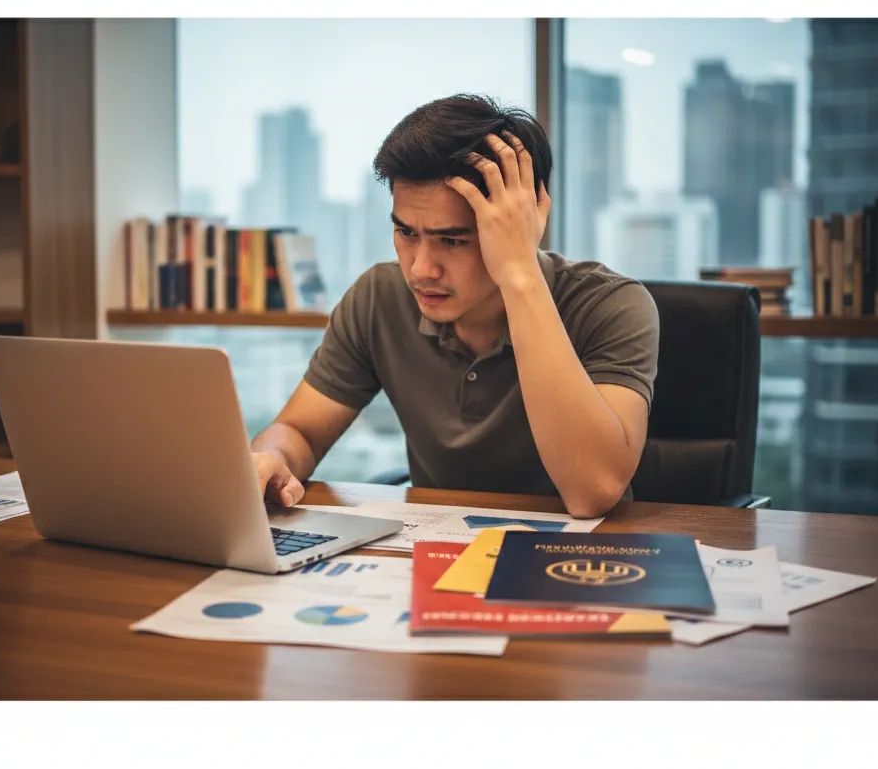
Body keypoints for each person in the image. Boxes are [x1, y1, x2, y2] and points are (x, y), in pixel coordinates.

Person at [250, 94, 659, 518]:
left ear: (521, 221)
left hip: (579, 563)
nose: (422, 269)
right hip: (431, 553)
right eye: (406, 233)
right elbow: (299, 431)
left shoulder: (611, 305)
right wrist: (271, 457)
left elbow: (592, 492)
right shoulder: (379, 297)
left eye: (453, 240)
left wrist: (519, 275)